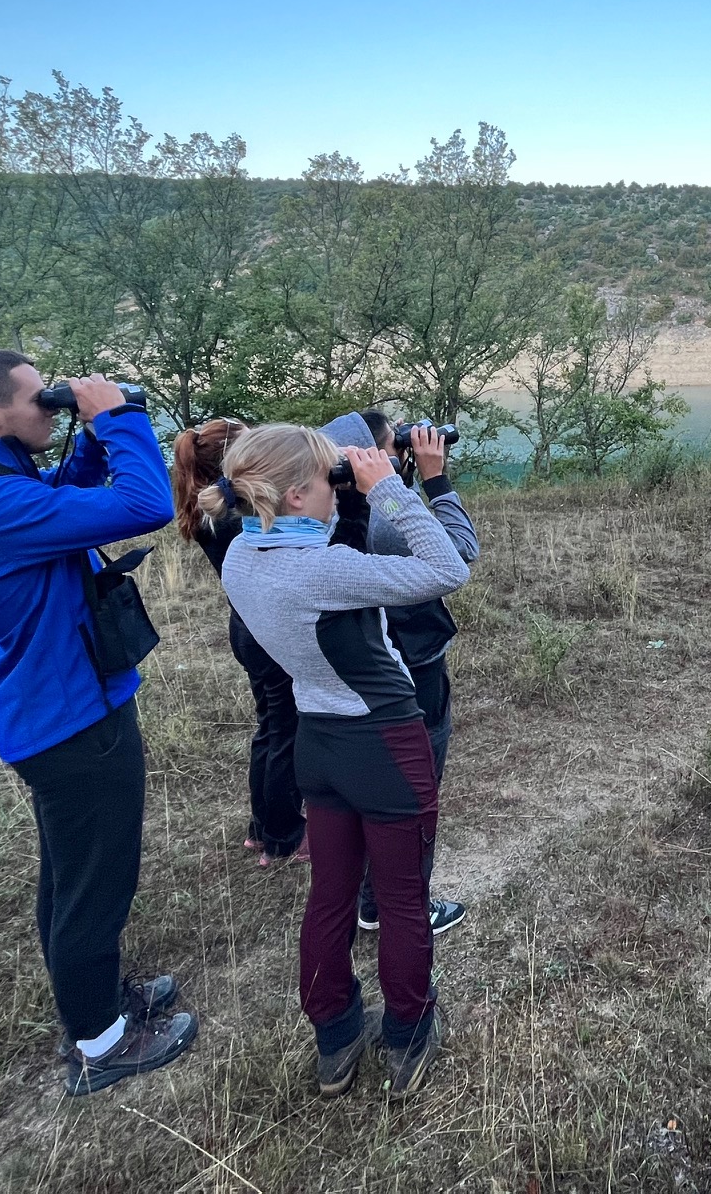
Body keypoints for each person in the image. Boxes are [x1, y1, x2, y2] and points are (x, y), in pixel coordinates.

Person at [0, 349, 196, 1096]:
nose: (49, 407)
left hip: (54, 705)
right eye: (36, 399)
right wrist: (120, 419)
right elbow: (147, 505)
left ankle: (96, 1003)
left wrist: (85, 442)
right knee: (95, 883)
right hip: (70, 715)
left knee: (71, 873)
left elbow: (61, 500)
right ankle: (101, 1042)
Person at [209, 424, 469, 1098]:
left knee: (330, 895)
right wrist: (389, 490)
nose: (338, 488)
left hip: (318, 743)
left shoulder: (241, 555)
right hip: (385, 743)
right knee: (403, 898)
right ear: (297, 494)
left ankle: (335, 1036)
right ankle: (408, 1034)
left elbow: (332, 562)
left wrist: (348, 497)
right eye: (329, 480)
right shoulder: (324, 571)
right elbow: (449, 568)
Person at [320, 411, 478, 936]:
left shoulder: (320, 512)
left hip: (354, 670)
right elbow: (460, 552)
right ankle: (400, 904)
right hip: (413, 659)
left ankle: (369, 897)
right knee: (416, 784)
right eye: (394, 445)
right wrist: (434, 479)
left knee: (374, 783)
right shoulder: (384, 515)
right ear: (366, 458)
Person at [172, 419, 307, 867]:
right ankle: (283, 836)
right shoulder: (240, 519)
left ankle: (262, 828)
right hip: (268, 630)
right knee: (285, 731)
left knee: (271, 727)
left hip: (246, 628)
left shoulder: (212, 513)